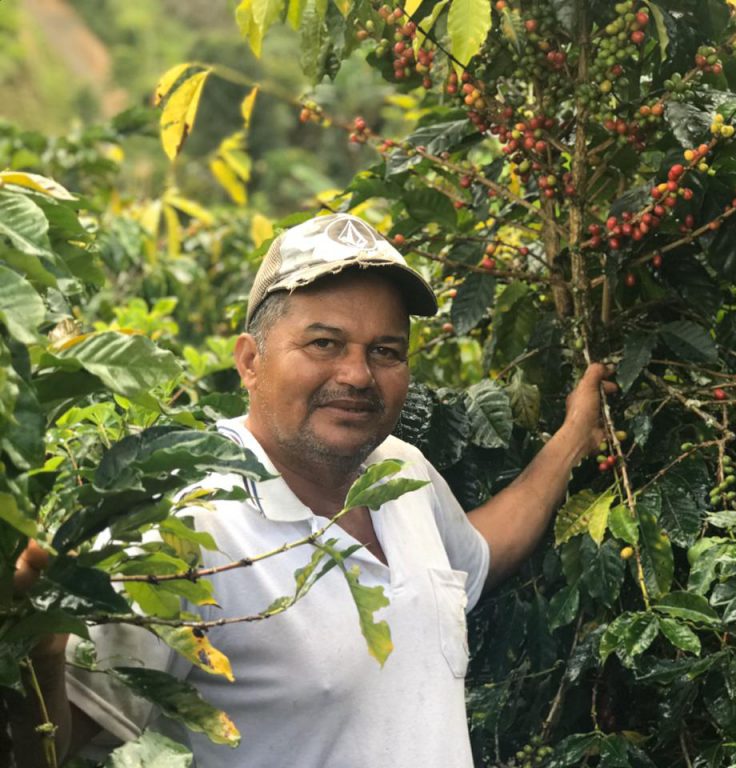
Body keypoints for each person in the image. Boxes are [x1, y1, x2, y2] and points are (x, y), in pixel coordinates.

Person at [12, 212, 614, 767]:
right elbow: (58, 742)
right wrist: (34, 645)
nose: (357, 375)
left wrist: (570, 439)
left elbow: (478, 554)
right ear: (250, 361)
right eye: (324, 343)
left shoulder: (398, 471)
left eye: (386, 351)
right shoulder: (183, 523)